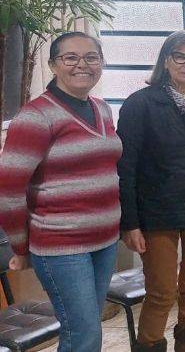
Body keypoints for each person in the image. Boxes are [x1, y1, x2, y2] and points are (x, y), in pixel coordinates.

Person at [0, 32, 121, 352]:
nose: (82, 65)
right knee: (83, 334)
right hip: (61, 245)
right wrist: (21, 247)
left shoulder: (102, 109)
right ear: (53, 65)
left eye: (91, 57)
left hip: (105, 241)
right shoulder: (36, 116)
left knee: (87, 328)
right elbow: (9, 190)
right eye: (70, 58)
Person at [117, 31, 185, 351]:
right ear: (166, 60)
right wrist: (130, 223)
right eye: (180, 56)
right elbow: (126, 168)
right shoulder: (140, 104)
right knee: (162, 292)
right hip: (156, 215)